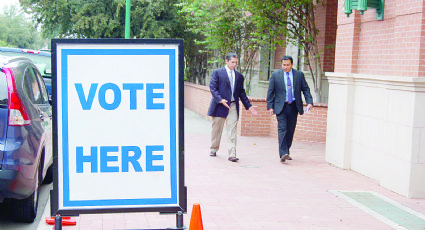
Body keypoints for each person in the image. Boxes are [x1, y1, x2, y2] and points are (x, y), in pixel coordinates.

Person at [207, 52, 257, 162]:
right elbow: (212, 87)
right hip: (220, 105)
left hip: (233, 105)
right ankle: (214, 148)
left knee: (232, 130)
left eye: (236, 62)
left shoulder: (239, 76)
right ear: (226, 61)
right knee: (217, 129)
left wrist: (249, 106)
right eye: (232, 62)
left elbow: (241, 92)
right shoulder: (218, 73)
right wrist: (220, 99)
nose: (234, 64)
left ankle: (232, 154)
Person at [266, 55, 313, 163]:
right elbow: (270, 92)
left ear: (292, 64)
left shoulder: (299, 75)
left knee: (290, 130)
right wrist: (270, 106)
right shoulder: (275, 75)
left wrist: (309, 102)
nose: (285, 67)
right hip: (281, 106)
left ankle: (286, 150)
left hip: (294, 106)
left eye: (287, 65)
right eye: (283, 65)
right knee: (282, 129)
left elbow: (305, 89)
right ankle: (283, 153)